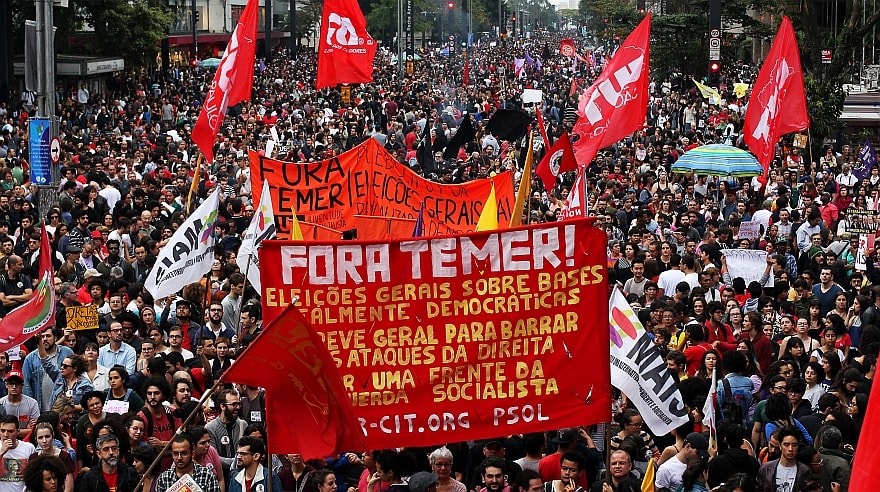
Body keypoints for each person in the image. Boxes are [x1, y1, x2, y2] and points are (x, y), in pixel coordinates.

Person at [23, 327, 74, 413]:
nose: (45, 339)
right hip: (40, 408)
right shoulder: (30, 358)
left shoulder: (67, 353)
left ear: (55, 338)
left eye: (48, 336)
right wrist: (31, 407)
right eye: (42, 337)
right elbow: (26, 384)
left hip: (62, 407)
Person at [76, 432, 140, 492]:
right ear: (99, 454)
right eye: (106, 449)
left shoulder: (131, 474)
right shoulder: (89, 477)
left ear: (118, 451)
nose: (111, 452)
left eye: (114, 448)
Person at [155, 434, 221, 492]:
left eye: (184, 453)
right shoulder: (164, 478)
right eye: (175, 454)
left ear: (192, 454)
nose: (179, 458)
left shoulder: (207, 475)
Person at [205, 389, 248, 479]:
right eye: (233, 404)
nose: (237, 407)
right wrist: (236, 462)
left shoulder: (243, 425)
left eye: (238, 404)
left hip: (241, 475)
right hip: (220, 476)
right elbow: (213, 456)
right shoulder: (210, 428)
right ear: (222, 406)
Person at [756, 427, 809, 492]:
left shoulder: (805, 471)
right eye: (786, 445)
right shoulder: (766, 469)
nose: (790, 449)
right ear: (780, 446)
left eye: (794, 445)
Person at [28, 422, 75, 492]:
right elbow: (31, 486)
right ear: (36, 439)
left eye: (47, 436)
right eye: (40, 438)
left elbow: (69, 489)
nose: (44, 441)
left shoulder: (64, 456)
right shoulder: (33, 458)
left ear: (52, 437)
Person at [0, 370, 40, 439]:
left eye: (17, 384)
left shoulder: (32, 403)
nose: (14, 387)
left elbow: (36, 429)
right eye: (11, 383)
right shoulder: (0, 403)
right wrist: (25, 431)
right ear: (6, 385)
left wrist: (11, 432)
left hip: (27, 439)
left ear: (22, 386)